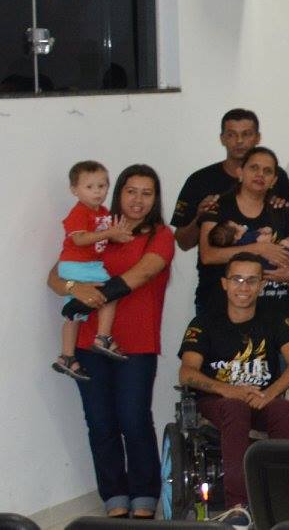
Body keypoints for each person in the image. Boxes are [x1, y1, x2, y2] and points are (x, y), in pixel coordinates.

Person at [50, 165, 173, 520]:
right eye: (130, 191)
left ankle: (145, 495)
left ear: (155, 199)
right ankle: (114, 495)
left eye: (146, 193)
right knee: (100, 422)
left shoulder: (160, 235)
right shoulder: (97, 228)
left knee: (134, 420)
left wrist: (94, 293)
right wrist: (75, 290)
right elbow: (55, 274)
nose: (137, 200)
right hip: (89, 342)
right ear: (118, 193)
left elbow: (142, 274)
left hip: (136, 344)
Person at [177, 252, 289, 519]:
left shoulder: (275, 318)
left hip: (262, 398)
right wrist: (228, 390)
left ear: (261, 285)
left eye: (251, 281)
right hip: (218, 402)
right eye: (236, 279)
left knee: (282, 409)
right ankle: (238, 505)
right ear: (225, 283)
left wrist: (270, 392)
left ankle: (281, 498)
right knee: (235, 408)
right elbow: (187, 372)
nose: (243, 287)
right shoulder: (204, 323)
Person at [191, 148, 289, 323]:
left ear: (274, 180)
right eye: (254, 168)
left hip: (277, 313)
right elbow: (208, 255)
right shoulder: (218, 206)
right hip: (223, 311)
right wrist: (259, 249)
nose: (260, 174)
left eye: (267, 171)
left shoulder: (281, 210)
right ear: (240, 172)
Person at [173, 108, 289, 249]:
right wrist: (200, 217)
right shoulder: (199, 180)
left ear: (258, 137)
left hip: (268, 267)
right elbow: (183, 244)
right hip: (216, 269)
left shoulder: (275, 176)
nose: (239, 141)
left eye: (246, 134)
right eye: (232, 135)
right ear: (222, 138)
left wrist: (282, 208)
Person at [54, 161, 124, 380]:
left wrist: (118, 235)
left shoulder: (102, 212)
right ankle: (103, 337)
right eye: (90, 187)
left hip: (81, 266)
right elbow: (80, 238)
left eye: (102, 186)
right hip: (80, 265)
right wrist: (108, 233)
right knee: (110, 293)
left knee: (74, 313)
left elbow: (106, 236)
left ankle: (66, 357)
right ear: (74, 190)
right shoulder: (80, 212)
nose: (97, 192)